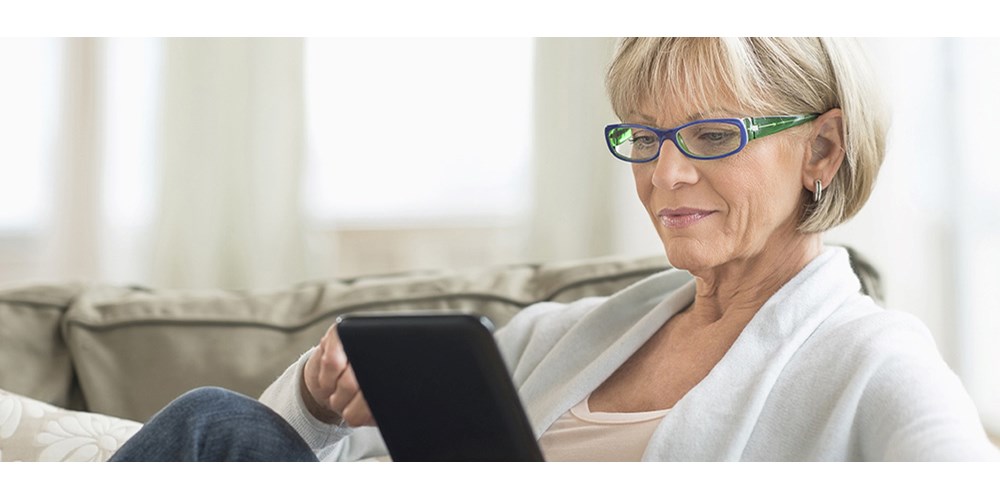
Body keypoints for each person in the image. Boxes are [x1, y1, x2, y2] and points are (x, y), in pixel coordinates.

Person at [110, 37, 1000, 461]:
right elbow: (329, 467)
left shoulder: (874, 361)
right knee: (218, 425)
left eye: (711, 134)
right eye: (644, 139)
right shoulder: (561, 336)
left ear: (823, 149)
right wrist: (317, 395)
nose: (666, 176)